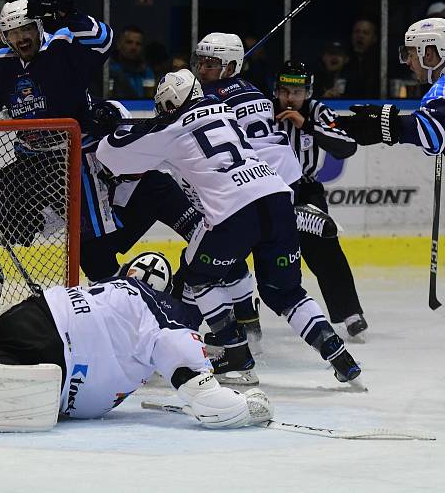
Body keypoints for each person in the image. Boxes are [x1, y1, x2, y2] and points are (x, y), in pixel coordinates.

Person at [95, 69, 362, 386]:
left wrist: (131, 126)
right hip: (276, 198)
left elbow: (109, 154)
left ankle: (235, 352)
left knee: (196, 276)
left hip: (233, 212)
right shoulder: (226, 112)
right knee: (286, 293)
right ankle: (341, 359)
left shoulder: (171, 131)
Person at [0, 252, 273, 431]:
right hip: (54, 361)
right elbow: (215, 409)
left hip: (28, 316)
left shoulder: (108, 288)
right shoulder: (170, 321)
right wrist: (254, 407)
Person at [0, 0, 112, 306]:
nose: (20, 38)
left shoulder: (62, 46)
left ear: (39, 29)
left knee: (93, 253)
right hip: (28, 167)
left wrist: (69, 14)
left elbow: (104, 40)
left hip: (74, 165)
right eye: (12, 33)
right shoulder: (0, 64)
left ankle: (122, 309)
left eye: (26, 29)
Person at [190, 32, 303, 352]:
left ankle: (240, 325)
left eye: (210, 64)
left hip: (248, 184)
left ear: (229, 66)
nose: (201, 69)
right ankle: (248, 320)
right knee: (239, 253)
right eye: (200, 61)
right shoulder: (255, 90)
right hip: (281, 179)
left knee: (221, 254)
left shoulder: (208, 96)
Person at [272, 60, 368, 339]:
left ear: (308, 92)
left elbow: (347, 146)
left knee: (326, 251)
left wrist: (308, 125)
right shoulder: (264, 109)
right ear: (276, 90)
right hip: (267, 190)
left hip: (306, 191)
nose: (290, 98)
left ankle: (350, 312)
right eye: (285, 91)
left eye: (297, 92)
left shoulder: (317, 112)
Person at [79, 100, 203, 282]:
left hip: (144, 193)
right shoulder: (85, 175)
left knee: (202, 239)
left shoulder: (157, 184)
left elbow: (202, 238)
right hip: (106, 213)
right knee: (98, 264)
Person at [336, 18, 445, 154]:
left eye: (411, 55)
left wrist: (387, 123)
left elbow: (435, 135)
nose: (408, 62)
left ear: (428, 54)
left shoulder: (441, 90)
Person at [108, 25, 156, 99]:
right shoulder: (108, 71)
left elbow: (149, 100)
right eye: (129, 42)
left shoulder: (147, 72)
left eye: (138, 44)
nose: (134, 47)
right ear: (118, 44)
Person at [344, 18, 380, 98]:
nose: (360, 36)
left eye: (365, 33)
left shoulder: (381, 63)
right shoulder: (343, 59)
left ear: (374, 38)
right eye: (357, 32)